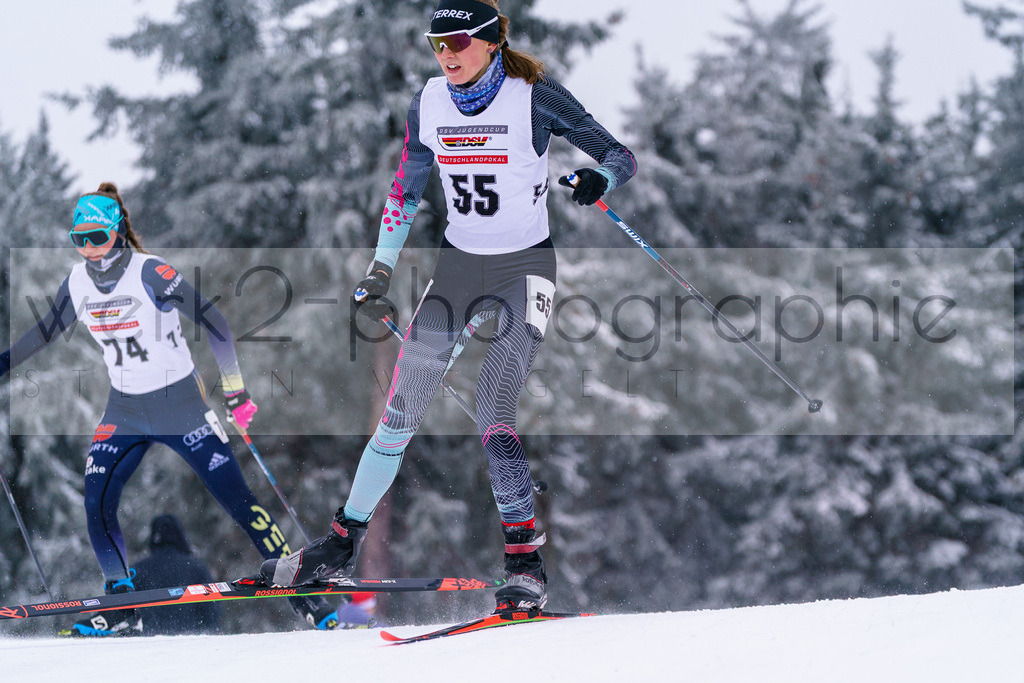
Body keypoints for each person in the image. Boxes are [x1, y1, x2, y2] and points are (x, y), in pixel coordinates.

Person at [260, 0, 636, 612]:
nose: (446, 54)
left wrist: (601, 180)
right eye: (437, 44)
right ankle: (338, 543)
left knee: (493, 410)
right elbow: (403, 192)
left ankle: (525, 563)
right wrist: (379, 270)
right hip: (458, 272)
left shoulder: (534, 95)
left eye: (458, 42)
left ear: (489, 42)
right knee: (399, 412)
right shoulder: (429, 102)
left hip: (525, 270)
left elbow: (620, 155)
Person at [0, 183, 341, 635]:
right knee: (97, 501)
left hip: (181, 406)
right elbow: (41, 333)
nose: (90, 251)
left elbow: (215, 323)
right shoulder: (77, 283)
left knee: (240, 503)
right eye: (79, 240)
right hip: (124, 410)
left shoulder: (151, 273)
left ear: (118, 233)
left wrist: (236, 392)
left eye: (97, 238)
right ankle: (122, 605)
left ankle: (306, 595)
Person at [133, 514, 222, 635]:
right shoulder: (197, 568)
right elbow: (211, 611)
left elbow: (127, 611)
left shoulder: (138, 570)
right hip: (189, 643)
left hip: (150, 644)